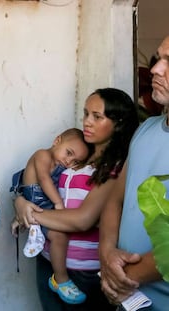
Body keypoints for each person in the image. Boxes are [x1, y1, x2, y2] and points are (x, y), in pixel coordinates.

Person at [13, 87, 139, 310]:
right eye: (86, 114)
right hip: (49, 260)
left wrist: (28, 212)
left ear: (118, 123)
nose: (87, 122)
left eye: (97, 117)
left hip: (84, 272)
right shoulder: (77, 156)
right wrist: (20, 200)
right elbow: (39, 183)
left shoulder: (116, 168)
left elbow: (82, 219)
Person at [99, 36, 169, 311]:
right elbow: (116, 200)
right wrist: (106, 255)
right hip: (128, 299)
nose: (155, 70)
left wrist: (123, 278)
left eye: (168, 62)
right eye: (158, 58)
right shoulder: (146, 130)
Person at [11, 128, 91, 304]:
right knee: (60, 235)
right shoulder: (42, 155)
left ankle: (32, 229)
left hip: (42, 205)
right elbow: (44, 179)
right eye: (68, 153)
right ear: (57, 140)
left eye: (75, 161)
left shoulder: (61, 163)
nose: (68, 161)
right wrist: (58, 204)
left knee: (60, 236)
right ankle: (61, 280)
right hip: (39, 202)